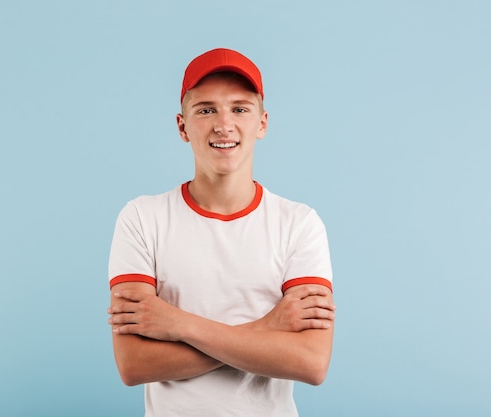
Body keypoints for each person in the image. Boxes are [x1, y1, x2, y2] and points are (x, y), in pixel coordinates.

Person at [107, 47, 336, 417]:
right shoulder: (141, 218)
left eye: (240, 108)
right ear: (183, 126)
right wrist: (267, 329)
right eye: (206, 109)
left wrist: (178, 324)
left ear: (262, 123)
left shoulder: (300, 223)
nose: (223, 124)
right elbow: (134, 364)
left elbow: (311, 362)